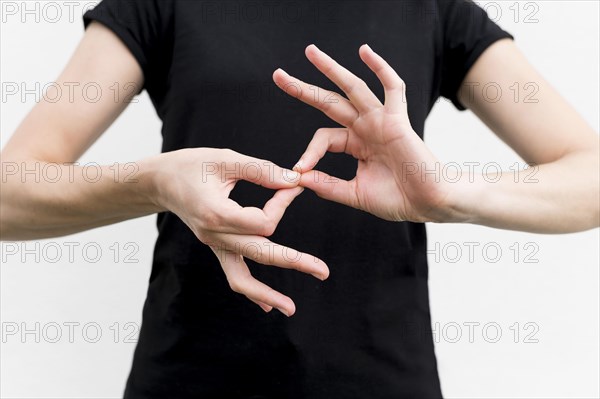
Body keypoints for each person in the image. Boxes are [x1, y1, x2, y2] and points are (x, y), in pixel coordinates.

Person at [1, 0, 598, 397]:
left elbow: (591, 178)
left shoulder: (433, 8)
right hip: (188, 381)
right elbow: (9, 191)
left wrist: (454, 194)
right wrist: (152, 182)